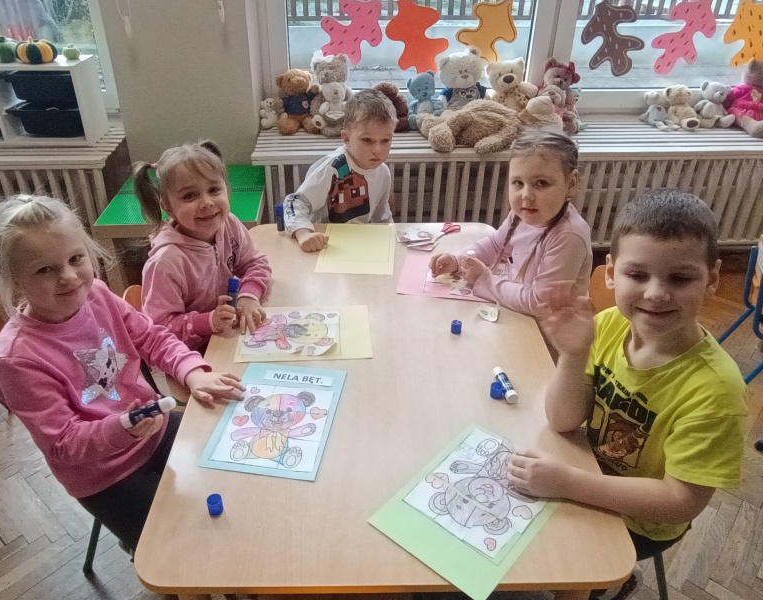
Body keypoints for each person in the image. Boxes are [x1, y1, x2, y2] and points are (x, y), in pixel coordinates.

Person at [507, 190, 747, 599]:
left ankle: (607, 582)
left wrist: (569, 482)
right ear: (610, 274)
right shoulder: (608, 324)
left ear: (713, 278)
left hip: (640, 522)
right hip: (583, 472)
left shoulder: (716, 391)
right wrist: (573, 355)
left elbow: (680, 501)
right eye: (637, 275)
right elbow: (563, 420)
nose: (656, 293)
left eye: (680, 278)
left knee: (538, 560)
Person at [0, 195, 247, 552]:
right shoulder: (16, 360)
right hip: (105, 476)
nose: (69, 277)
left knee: (236, 471)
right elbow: (63, 444)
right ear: (14, 280)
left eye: (76, 259)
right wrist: (122, 429)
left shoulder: (97, 294)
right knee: (176, 550)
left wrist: (192, 372)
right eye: (45, 270)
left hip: (153, 428)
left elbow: (152, 337)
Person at [430, 130, 592, 316]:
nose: (526, 195)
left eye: (541, 183)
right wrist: (459, 261)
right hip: (520, 315)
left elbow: (540, 303)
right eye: (518, 183)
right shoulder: (522, 215)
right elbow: (495, 244)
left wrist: (484, 280)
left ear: (571, 184)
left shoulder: (569, 236)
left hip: (552, 331)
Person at [136, 140, 272, 350]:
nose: (207, 202)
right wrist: (208, 321)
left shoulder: (229, 224)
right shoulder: (165, 262)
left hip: (226, 336)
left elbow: (256, 263)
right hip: (190, 354)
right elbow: (159, 328)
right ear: (168, 207)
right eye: (190, 195)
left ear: (227, 190)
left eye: (214, 189)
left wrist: (248, 296)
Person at [283, 88, 397, 253]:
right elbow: (294, 202)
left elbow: (382, 217)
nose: (378, 150)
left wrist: (393, 240)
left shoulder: (383, 172)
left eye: (386, 140)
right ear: (346, 138)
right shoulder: (332, 168)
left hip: (358, 246)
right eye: (367, 140)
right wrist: (303, 234)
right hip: (323, 246)